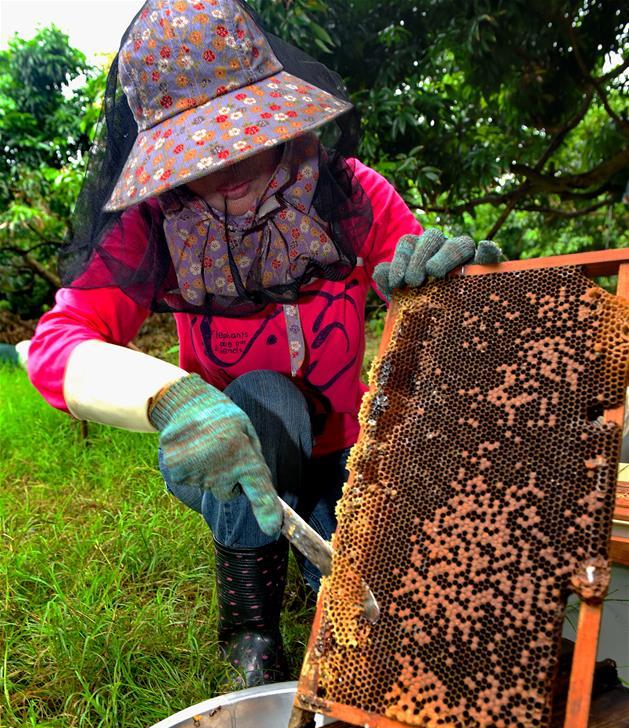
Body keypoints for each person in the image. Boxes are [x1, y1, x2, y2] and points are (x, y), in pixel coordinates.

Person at [27, 0, 500, 689]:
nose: (229, 163)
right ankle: (249, 630)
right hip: (228, 448)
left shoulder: (350, 196)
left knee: (371, 603)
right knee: (266, 399)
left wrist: (453, 276)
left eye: (241, 134)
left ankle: (309, 551)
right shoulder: (151, 229)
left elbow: (416, 282)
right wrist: (171, 398)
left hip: (349, 449)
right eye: (200, 150)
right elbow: (53, 346)